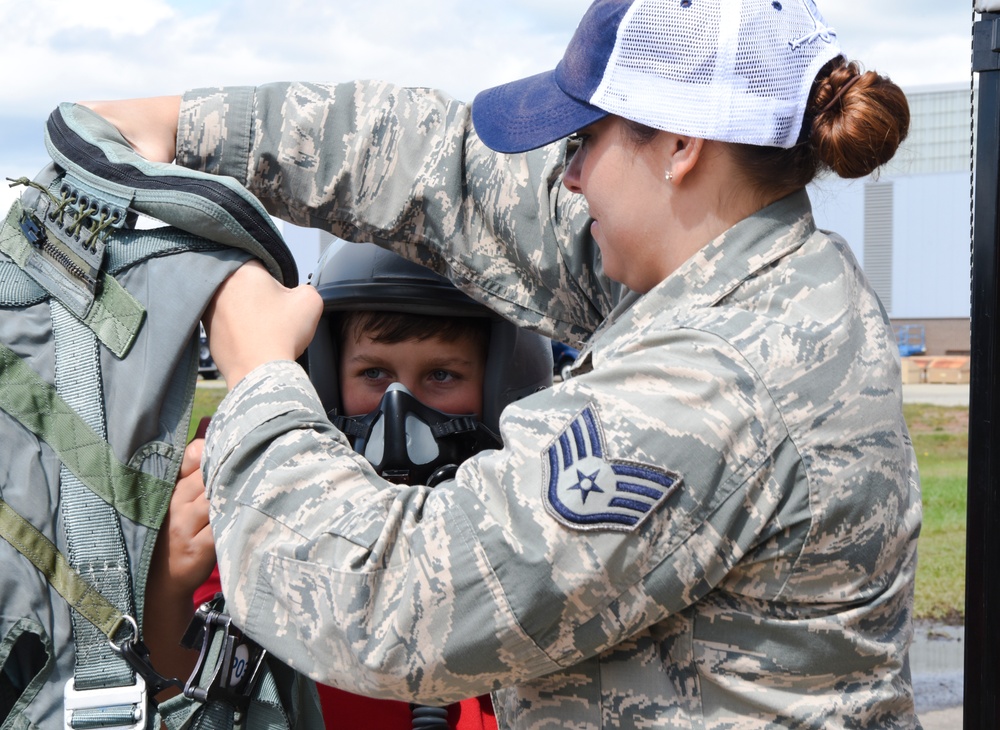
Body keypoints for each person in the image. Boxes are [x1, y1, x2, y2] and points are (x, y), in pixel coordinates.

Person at [88, 0, 922, 726]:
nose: (568, 176)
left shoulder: (713, 382)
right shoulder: (753, 274)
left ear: (678, 146)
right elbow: (450, 176)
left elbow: (394, 610)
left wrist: (261, 377)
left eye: (585, 139)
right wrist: (187, 128)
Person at [145, 242, 552, 729]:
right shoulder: (263, 482)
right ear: (326, 378)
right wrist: (167, 588)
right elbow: (183, 693)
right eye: (374, 373)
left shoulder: (533, 506)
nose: (399, 409)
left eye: (442, 374)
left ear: (500, 384)